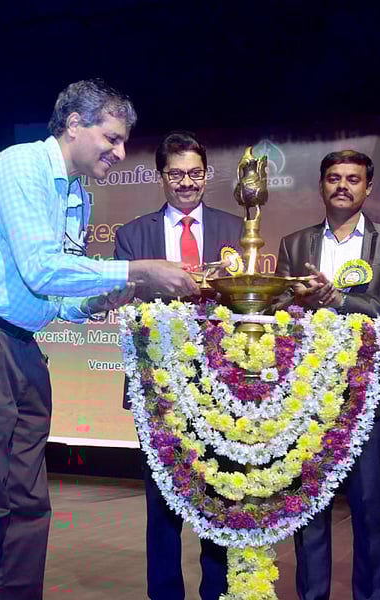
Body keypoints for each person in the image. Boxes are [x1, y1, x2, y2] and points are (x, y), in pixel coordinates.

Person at [0, 79, 199, 599]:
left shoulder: (76, 195)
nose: (120, 153)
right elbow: (41, 269)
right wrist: (138, 269)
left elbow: (54, 297)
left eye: (124, 142)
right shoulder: (21, 166)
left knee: (28, 503)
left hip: (22, 345)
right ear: (74, 124)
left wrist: (98, 301)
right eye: (112, 138)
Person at [275, 150, 380, 600]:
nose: (343, 186)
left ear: (369, 187)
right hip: (306, 397)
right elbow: (279, 312)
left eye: (353, 179)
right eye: (334, 178)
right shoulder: (294, 244)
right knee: (309, 511)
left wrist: (341, 300)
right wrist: (297, 301)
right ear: (321, 185)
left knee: (370, 510)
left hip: (371, 396)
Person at [113, 130, 244, 600]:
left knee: (219, 494)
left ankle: (218, 591)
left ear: (206, 175)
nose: (187, 182)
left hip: (222, 384)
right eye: (177, 174)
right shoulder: (132, 235)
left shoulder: (236, 230)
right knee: (162, 501)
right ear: (161, 177)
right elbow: (123, 302)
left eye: (195, 173)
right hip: (158, 383)